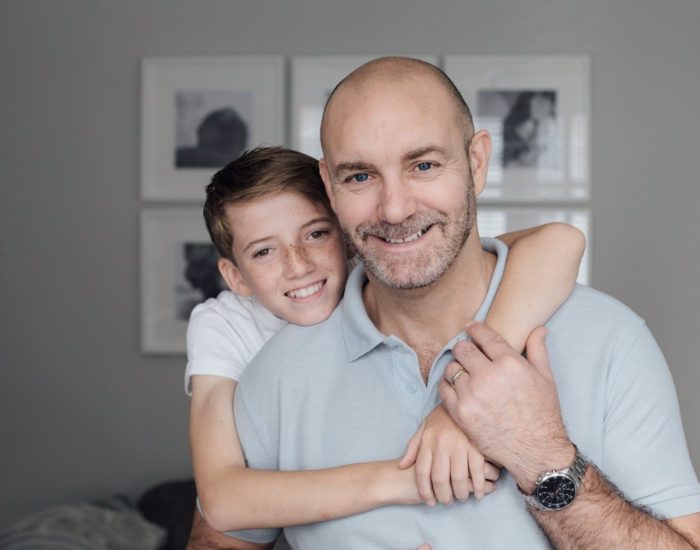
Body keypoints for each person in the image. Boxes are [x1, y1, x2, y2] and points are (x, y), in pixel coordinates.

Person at [225, 58, 700, 549]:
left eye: (424, 165)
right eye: (360, 177)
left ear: (476, 163)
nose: (395, 209)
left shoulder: (610, 340)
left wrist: (541, 455)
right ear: (329, 185)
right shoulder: (277, 372)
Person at [185, 146, 585, 548]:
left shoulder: (381, 274)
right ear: (235, 277)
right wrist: (407, 480)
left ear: (348, 236)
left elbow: (561, 240)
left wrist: (466, 392)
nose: (299, 264)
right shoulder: (225, 324)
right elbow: (222, 499)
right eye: (264, 251)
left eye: (316, 234)